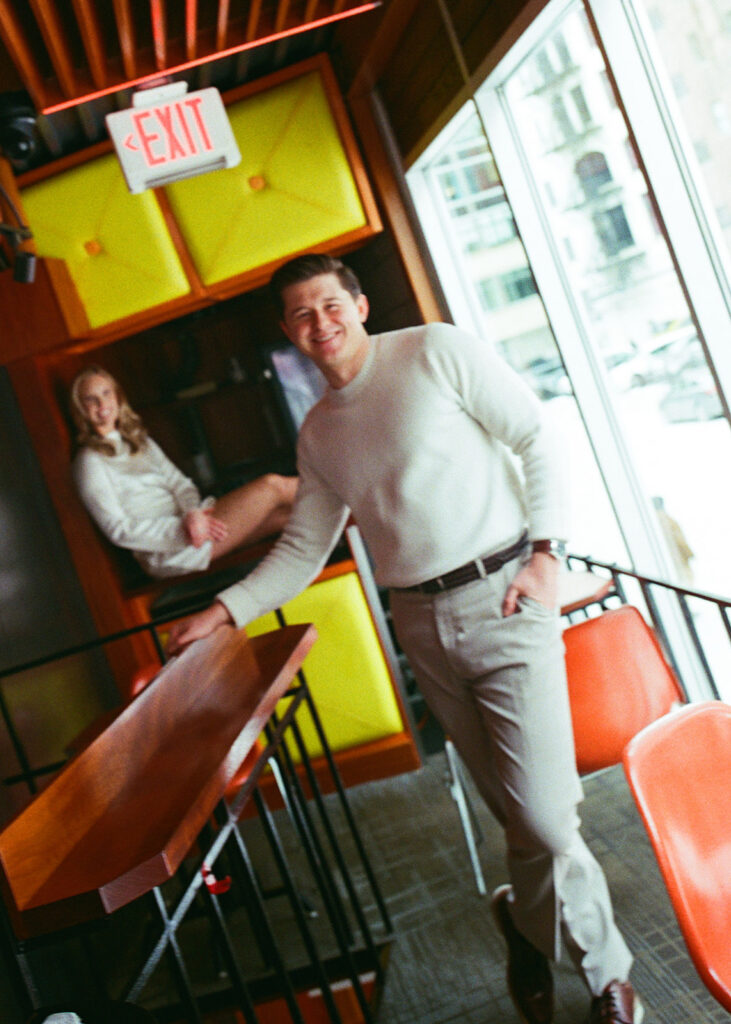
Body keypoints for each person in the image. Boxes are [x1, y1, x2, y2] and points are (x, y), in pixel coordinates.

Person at [164, 254, 642, 1024]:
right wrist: (221, 613)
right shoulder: (319, 432)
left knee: (547, 819)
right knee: (519, 820)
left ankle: (601, 975)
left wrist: (548, 554)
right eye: (300, 315)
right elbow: (300, 550)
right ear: (286, 332)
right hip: (421, 624)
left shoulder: (434, 352)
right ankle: (532, 938)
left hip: (507, 597)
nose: (319, 324)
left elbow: (537, 437)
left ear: (356, 303)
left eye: (330, 305)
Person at [70, 366, 297, 580]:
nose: (102, 403)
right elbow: (118, 530)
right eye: (91, 399)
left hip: (194, 525)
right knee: (272, 486)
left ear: (117, 397)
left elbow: (180, 484)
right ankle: (333, 480)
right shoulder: (89, 461)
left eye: (106, 393)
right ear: (80, 408)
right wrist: (183, 528)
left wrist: (193, 514)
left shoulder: (141, 442)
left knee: (286, 518)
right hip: (168, 551)